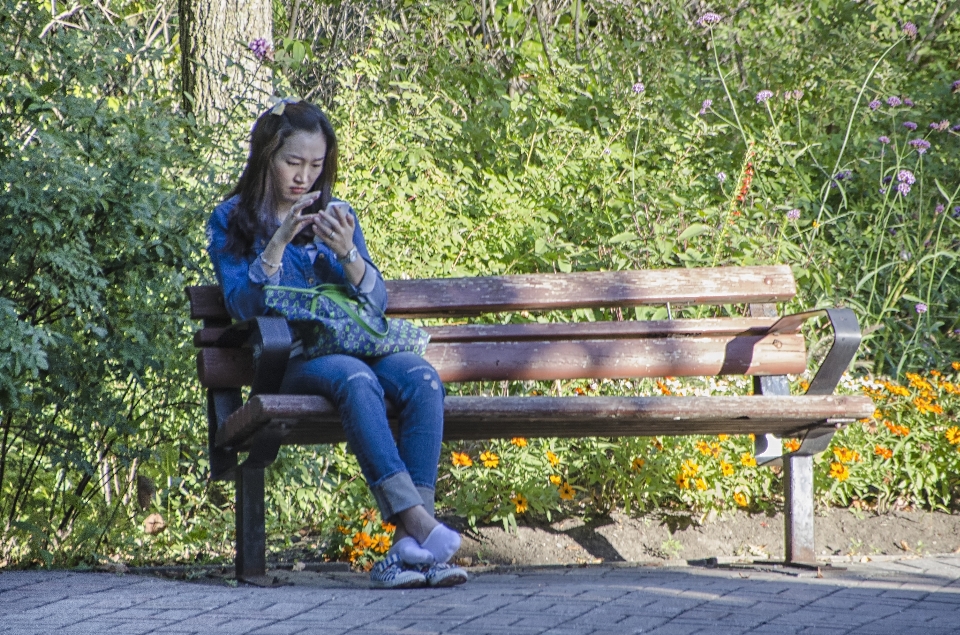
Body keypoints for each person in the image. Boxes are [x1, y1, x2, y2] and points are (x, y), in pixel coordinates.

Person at [206, 99, 467, 588]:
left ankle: (409, 553)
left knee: (421, 377)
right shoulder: (231, 218)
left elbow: (376, 301)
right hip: (291, 360)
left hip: (356, 347)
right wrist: (278, 244)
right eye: (293, 162)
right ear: (266, 156)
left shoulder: (337, 214)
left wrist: (348, 254)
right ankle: (419, 527)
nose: (304, 176)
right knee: (355, 377)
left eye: (316, 165)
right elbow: (242, 305)